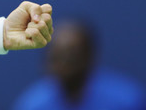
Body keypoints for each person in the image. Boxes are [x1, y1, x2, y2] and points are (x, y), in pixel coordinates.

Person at [13, 19, 146, 110]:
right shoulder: (32, 104)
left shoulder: (126, 100)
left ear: (89, 55)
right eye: (57, 56)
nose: (63, 63)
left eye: (71, 54)